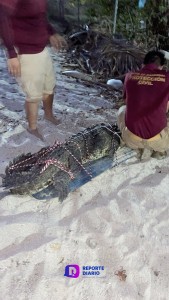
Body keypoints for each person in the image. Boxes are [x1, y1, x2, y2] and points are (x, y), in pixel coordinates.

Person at [0, 0, 67, 140]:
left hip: (42, 49)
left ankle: (49, 116)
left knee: (49, 87)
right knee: (33, 94)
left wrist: (52, 33)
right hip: (25, 52)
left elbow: (40, 16)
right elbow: (3, 18)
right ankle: (33, 128)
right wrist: (11, 54)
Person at [117, 50, 169, 160]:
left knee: (122, 109)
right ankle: (159, 151)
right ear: (162, 66)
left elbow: (127, 101)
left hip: (132, 140)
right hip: (158, 141)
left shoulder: (129, 76)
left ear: (143, 64)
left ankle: (136, 147)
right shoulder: (167, 78)